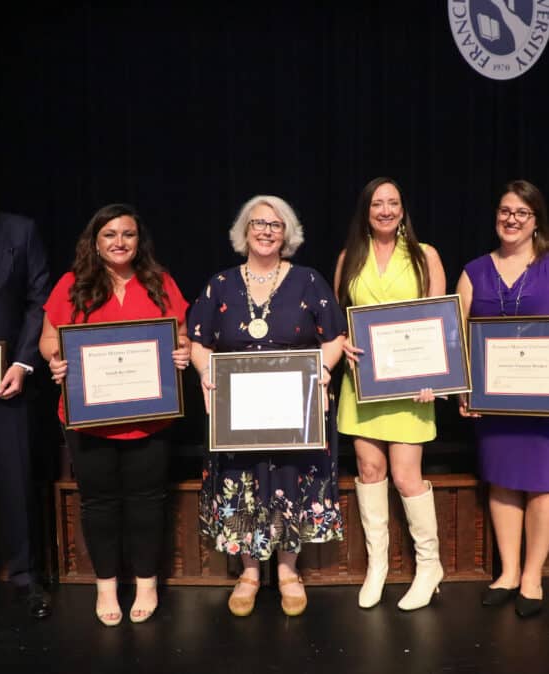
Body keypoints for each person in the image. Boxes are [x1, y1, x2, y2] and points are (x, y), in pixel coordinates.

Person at [188, 195, 346, 617]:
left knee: (291, 481)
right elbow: (198, 342)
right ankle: (250, 573)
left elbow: (333, 338)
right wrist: (207, 374)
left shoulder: (309, 280)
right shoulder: (218, 284)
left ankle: (289, 571)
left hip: (294, 406)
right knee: (242, 485)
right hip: (237, 409)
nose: (266, 231)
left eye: (275, 225)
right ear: (244, 231)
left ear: (287, 233)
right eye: (258, 223)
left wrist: (325, 370)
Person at [39, 203, 190, 626]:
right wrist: (55, 359)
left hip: (150, 415)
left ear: (139, 241)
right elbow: (49, 338)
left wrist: (182, 353)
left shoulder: (160, 282)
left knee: (147, 502)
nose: (119, 242)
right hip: (88, 417)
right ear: (95, 241)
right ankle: (105, 586)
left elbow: (181, 334)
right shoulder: (72, 284)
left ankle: (146, 583)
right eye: (110, 235)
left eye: (128, 234)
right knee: (99, 503)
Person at [334, 177, 446, 611]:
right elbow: (340, 319)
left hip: (411, 386)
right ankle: (377, 565)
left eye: (392, 203)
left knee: (405, 476)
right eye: (377, 203)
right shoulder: (350, 257)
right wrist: (342, 342)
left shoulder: (425, 256)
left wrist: (435, 375)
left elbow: (441, 320)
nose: (384, 210)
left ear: (402, 209)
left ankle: (429, 565)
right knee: (369, 468)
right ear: (366, 211)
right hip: (363, 382)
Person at [457, 179, 549, 618]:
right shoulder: (474, 270)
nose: (511, 220)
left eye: (521, 213)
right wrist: (463, 388)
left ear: (535, 221)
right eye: (504, 211)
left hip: (543, 402)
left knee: (542, 485)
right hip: (492, 402)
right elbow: (453, 337)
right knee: (503, 479)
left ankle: (533, 576)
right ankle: (509, 571)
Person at [0, 209, 52, 619]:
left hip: (7, 377)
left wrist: (23, 362)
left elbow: (39, 300)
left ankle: (25, 576)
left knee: (14, 479)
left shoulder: (20, 229)